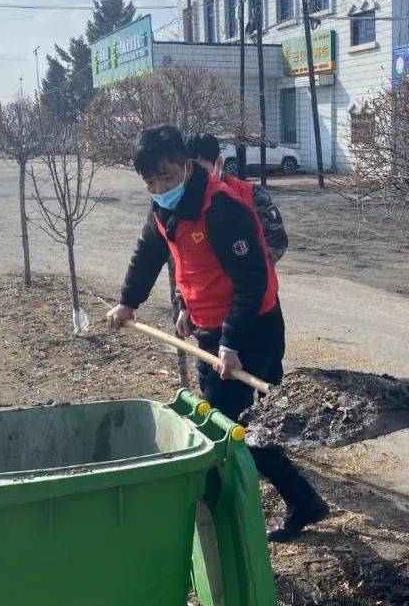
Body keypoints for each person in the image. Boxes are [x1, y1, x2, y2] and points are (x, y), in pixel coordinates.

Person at [105, 125, 329, 542]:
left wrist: (230, 343)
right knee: (249, 422)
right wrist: (129, 303)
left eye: (166, 178)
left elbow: (252, 280)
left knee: (229, 428)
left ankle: (252, 513)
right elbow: (149, 254)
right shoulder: (163, 209)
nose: (159, 188)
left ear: (187, 166)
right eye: (150, 182)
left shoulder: (222, 208)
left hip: (251, 330)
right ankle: (304, 501)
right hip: (213, 330)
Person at [185, 133, 288, 264]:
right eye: (189, 172)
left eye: (202, 170)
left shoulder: (252, 196)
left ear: (218, 163)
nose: (196, 178)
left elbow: (277, 240)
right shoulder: (179, 200)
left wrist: (248, 266)